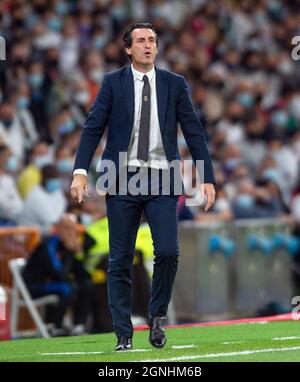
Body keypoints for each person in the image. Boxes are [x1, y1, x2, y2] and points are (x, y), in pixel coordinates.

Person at [71, 23, 216, 351]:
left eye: (152, 40)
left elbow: (193, 132)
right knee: (119, 259)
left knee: (167, 251)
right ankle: (123, 332)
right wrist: (80, 171)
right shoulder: (112, 83)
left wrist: (207, 177)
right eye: (140, 41)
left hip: (162, 177)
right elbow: (93, 128)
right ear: (128, 49)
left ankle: (157, 314)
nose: (148, 45)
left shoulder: (174, 84)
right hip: (120, 177)